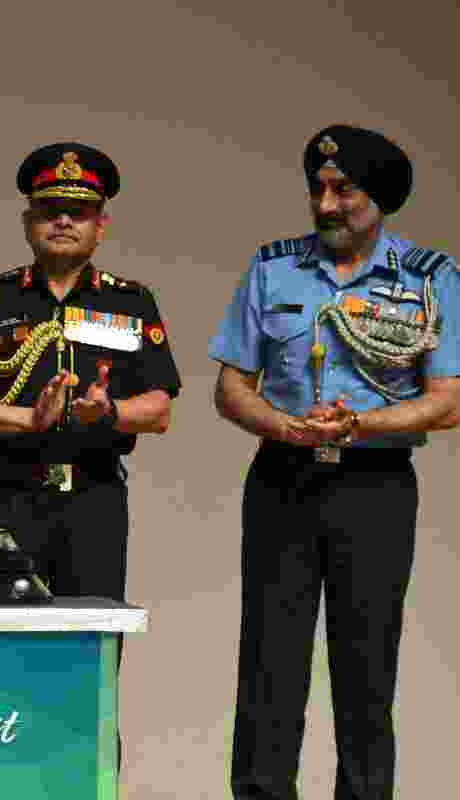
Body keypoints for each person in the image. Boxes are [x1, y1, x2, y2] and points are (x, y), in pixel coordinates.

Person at [210, 125, 460, 800]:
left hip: (374, 486)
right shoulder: (273, 268)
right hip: (282, 478)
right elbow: (230, 388)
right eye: (317, 189)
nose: (325, 204)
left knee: (367, 661)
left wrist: (362, 425)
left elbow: (448, 401)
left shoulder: (430, 280)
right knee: (269, 660)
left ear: (377, 198)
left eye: (343, 190)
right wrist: (284, 426)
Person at [0, 142, 180, 604]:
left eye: (78, 212)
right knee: (2, 647)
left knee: (92, 641)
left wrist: (108, 413)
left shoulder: (129, 302)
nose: (63, 221)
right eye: (49, 210)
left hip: (94, 498)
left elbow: (160, 409)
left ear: (100, 225)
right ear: (27, 222)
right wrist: (28, 419)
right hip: (9, 496)